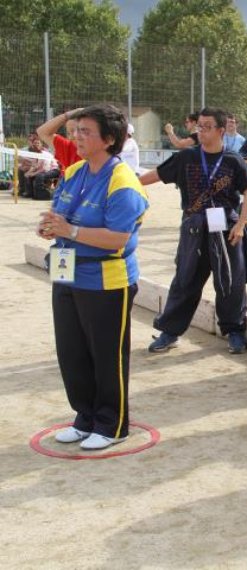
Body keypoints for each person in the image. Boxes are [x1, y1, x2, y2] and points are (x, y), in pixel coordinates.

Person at [36, 104, 149, 450]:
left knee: (106, 354)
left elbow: (117, 239)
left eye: (85, 131)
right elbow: (61, 213)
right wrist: (50, 226)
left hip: (106, 278)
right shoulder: (75, 172)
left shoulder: (123, 181)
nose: (76, 136)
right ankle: (84, 417)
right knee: (72, 351)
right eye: (76, 130)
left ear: (109, 139)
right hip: (67, 269)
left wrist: (69, 228)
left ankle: (112, 424)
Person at [139, 107, 247, 355]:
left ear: (221, 130)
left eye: (206, 127)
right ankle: (169, 331)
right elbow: (156, 175)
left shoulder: (233, 160)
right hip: (194, 227)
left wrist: (241, 224)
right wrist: (124, 183)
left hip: (226, 228)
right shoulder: (186, 158)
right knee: (185, 280)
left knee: (231, 281)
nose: (200, 131)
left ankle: (234, 330)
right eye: (198, 126)